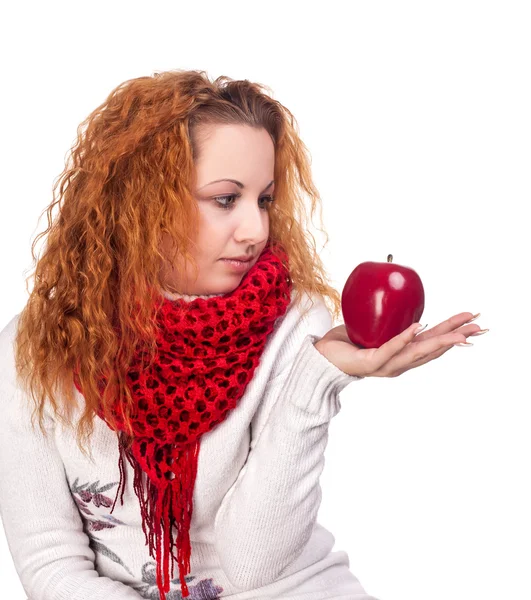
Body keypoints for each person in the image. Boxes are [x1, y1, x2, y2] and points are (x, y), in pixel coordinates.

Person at [0, 69, 486, 600]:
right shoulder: (36, 350)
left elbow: (255, 562)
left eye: (265, 200)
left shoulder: (297, 326)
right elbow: (51, 563)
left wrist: (316, 378)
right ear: (140, 204)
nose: (255, 230)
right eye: (226, 199)